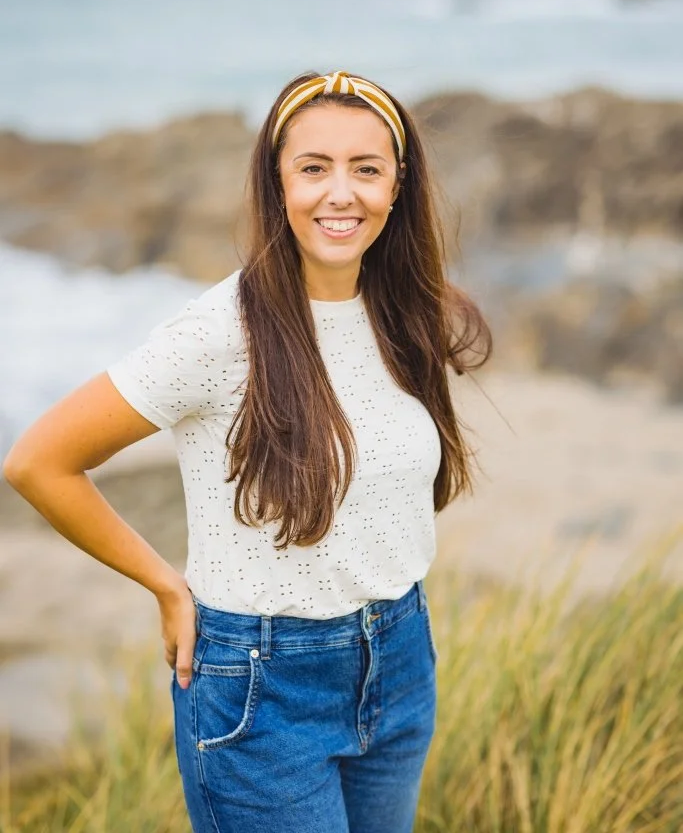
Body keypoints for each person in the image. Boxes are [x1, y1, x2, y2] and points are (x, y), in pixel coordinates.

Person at [3, 69, 492, 832]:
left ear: (397, 187)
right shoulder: (217, 333)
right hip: (262, 690)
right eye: (312, 167)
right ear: (277, 184)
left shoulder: (404, 310)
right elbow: (39, 462)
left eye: (366, 169)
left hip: (398, 660)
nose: (341, 193)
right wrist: (166, 586)